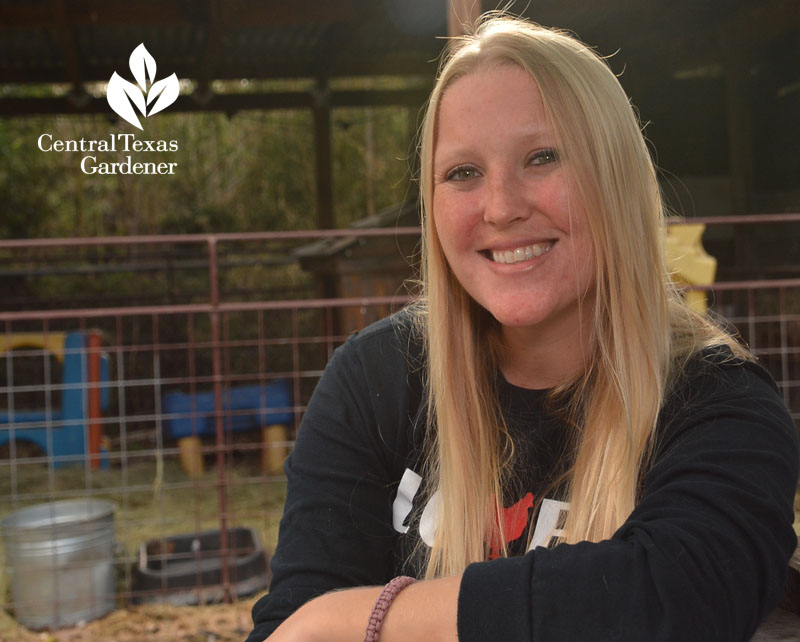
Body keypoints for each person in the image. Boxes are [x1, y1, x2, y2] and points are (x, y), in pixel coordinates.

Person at [247, 14, 799, 642]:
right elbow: (286, 629)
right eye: (463, 172)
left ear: (613, 178)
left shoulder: (719, 401)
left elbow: (680, 597)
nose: (502, 206)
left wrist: (352, 619)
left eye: (543, 157)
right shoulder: (375, 380)